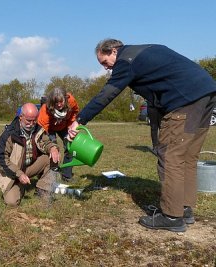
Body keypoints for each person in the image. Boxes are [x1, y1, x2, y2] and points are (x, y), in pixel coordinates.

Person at [68, 38, 216, 232]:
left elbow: (107, 94)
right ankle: (184, 209)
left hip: (185, 101)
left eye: (104, 62)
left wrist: (80, 119)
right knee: (187, 157)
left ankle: (172, 217)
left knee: (171, 157)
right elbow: (158, 93)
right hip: (207, 94)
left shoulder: (125, 61)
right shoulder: (146, 51)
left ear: (113, 51)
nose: (106, 68)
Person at [0, 103, 60, 207]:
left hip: (29, 167)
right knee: (11, 202)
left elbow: (47, 142)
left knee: (52, 157)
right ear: (21, 117)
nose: (32, 123)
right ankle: (19, 186)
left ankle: (42, 191)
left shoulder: (38, 129)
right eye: (29, 120)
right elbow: (1, 159)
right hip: (12, 172)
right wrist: (19, 174)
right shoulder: (8, 134)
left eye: (34, 120)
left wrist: (53, 148)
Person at [37, 87, 79, 182]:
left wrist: (71, 125)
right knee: (52, 150)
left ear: (66, 98)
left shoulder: (71, 100)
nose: (59, 104)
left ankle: (66, 175)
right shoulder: (45, 109)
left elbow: (75, 112)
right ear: (52, 102)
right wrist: (52, 146)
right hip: (49, 129)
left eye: (61, 101)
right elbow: (43, 127)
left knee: (71, 146)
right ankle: (52, 173)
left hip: (65, 126)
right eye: (56, 102)